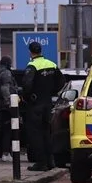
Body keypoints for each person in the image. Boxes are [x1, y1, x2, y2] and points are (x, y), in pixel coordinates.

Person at [21, 42, 63, 171]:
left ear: (30, 52)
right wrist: (52, 92)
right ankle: (50, 161)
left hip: (36, 105)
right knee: (47, 132)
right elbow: (61, 81)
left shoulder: (32, 66)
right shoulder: (52, 64)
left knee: (35, 134)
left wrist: (26, 97)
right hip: (47, 103)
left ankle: (41, 163)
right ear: (41, 51)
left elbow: (27, 85)